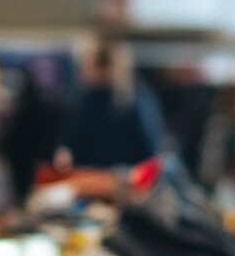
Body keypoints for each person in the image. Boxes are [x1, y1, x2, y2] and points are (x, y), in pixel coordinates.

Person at [56, 41, 163, 169]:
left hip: (113, 179)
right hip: (97, 177)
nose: (102, 74)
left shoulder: (135, 102)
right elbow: (68, 142)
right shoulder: (84, 99)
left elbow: (148, 151)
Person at [0, 66, 63, 204]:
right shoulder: (49, 105)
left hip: (23, 163)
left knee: (25, 199)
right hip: (42, 164)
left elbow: (13, 138)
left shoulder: (23, 108)